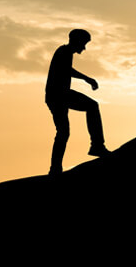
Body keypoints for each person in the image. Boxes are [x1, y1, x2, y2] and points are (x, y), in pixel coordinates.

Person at [46, 28, 109, 175]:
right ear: (77, 41)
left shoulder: (65, 52)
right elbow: (67, 70)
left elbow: (67, 69)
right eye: (84, 43)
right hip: (59, 95)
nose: (84, 48)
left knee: (63, 132)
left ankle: (55, 168)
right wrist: (87, 79)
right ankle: (97, 146)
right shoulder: (64, 51)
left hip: (56, 96)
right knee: (92, 106)